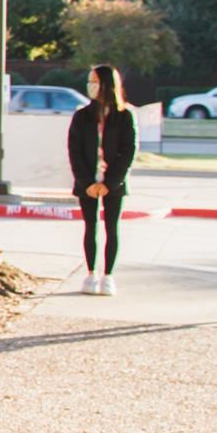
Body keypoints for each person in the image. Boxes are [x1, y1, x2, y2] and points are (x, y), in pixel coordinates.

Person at [69, 63, 137, 296]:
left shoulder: (125, 116)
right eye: (89, 81)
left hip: (113, 185)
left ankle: (108, 276)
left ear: (107, 84)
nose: (90, 86)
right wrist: (87, 183)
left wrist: (109, 183)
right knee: (90, 226)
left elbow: (128, 152)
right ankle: (90, 274)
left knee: (111, 227)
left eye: (95, 81)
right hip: (87, 182)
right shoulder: (81, 116)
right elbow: (74, 152)